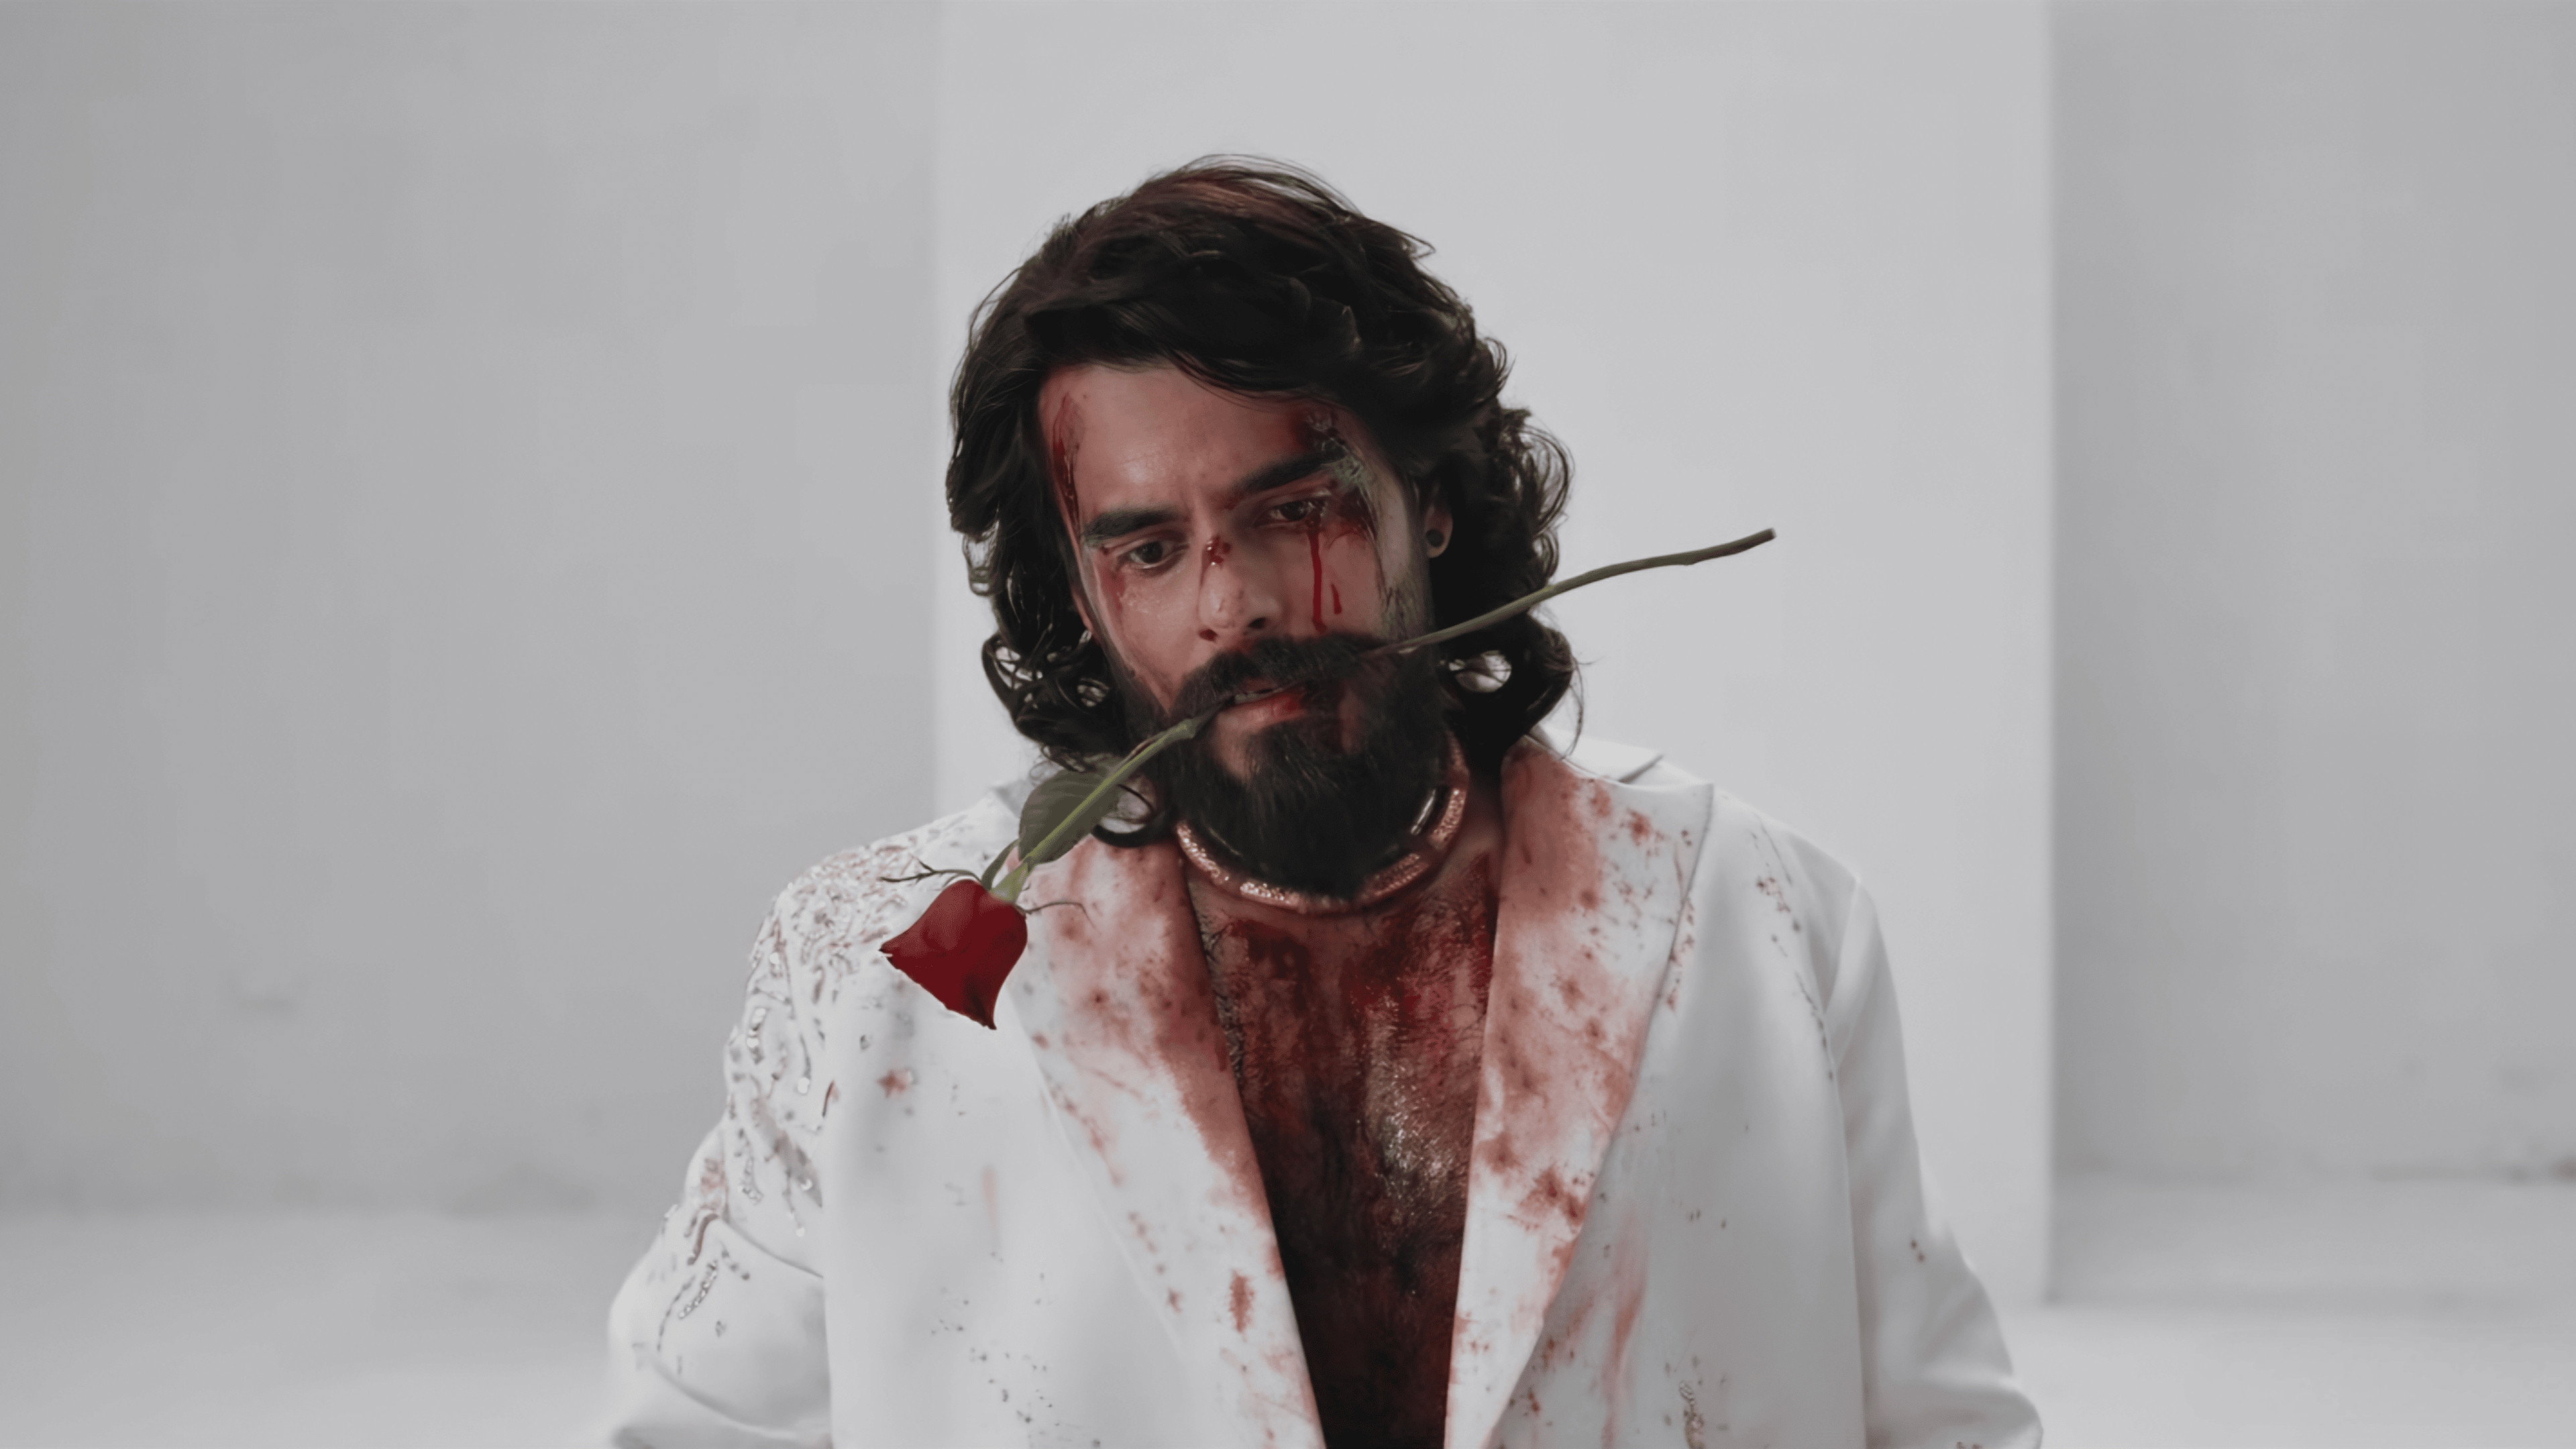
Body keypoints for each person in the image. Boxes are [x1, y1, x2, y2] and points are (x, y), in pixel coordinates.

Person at [600, 160, 2039, 1449]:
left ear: (1432, 500)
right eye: (1150, 551)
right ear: (1079, 599)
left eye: (1297, 511)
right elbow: (699, 1428)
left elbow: (1939, 1424)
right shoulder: (867, 979)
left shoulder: (1765, 920)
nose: (1234, 606)